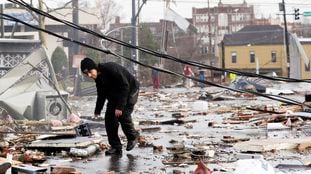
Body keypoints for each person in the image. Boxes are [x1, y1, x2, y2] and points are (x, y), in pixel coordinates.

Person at [80, 57, 140, 156]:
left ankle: (133, 136)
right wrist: (97, 110)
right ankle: (116, 147)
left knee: (123, 114)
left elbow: (124, 87)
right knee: (109, 119)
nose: (89, 75)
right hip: (115, 95)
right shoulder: (98, 79)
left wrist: (120, 107)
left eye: (90, 71)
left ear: (94, 67)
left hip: (130, 90)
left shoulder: (110, 69)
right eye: (86, 74)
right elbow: (101, 94)